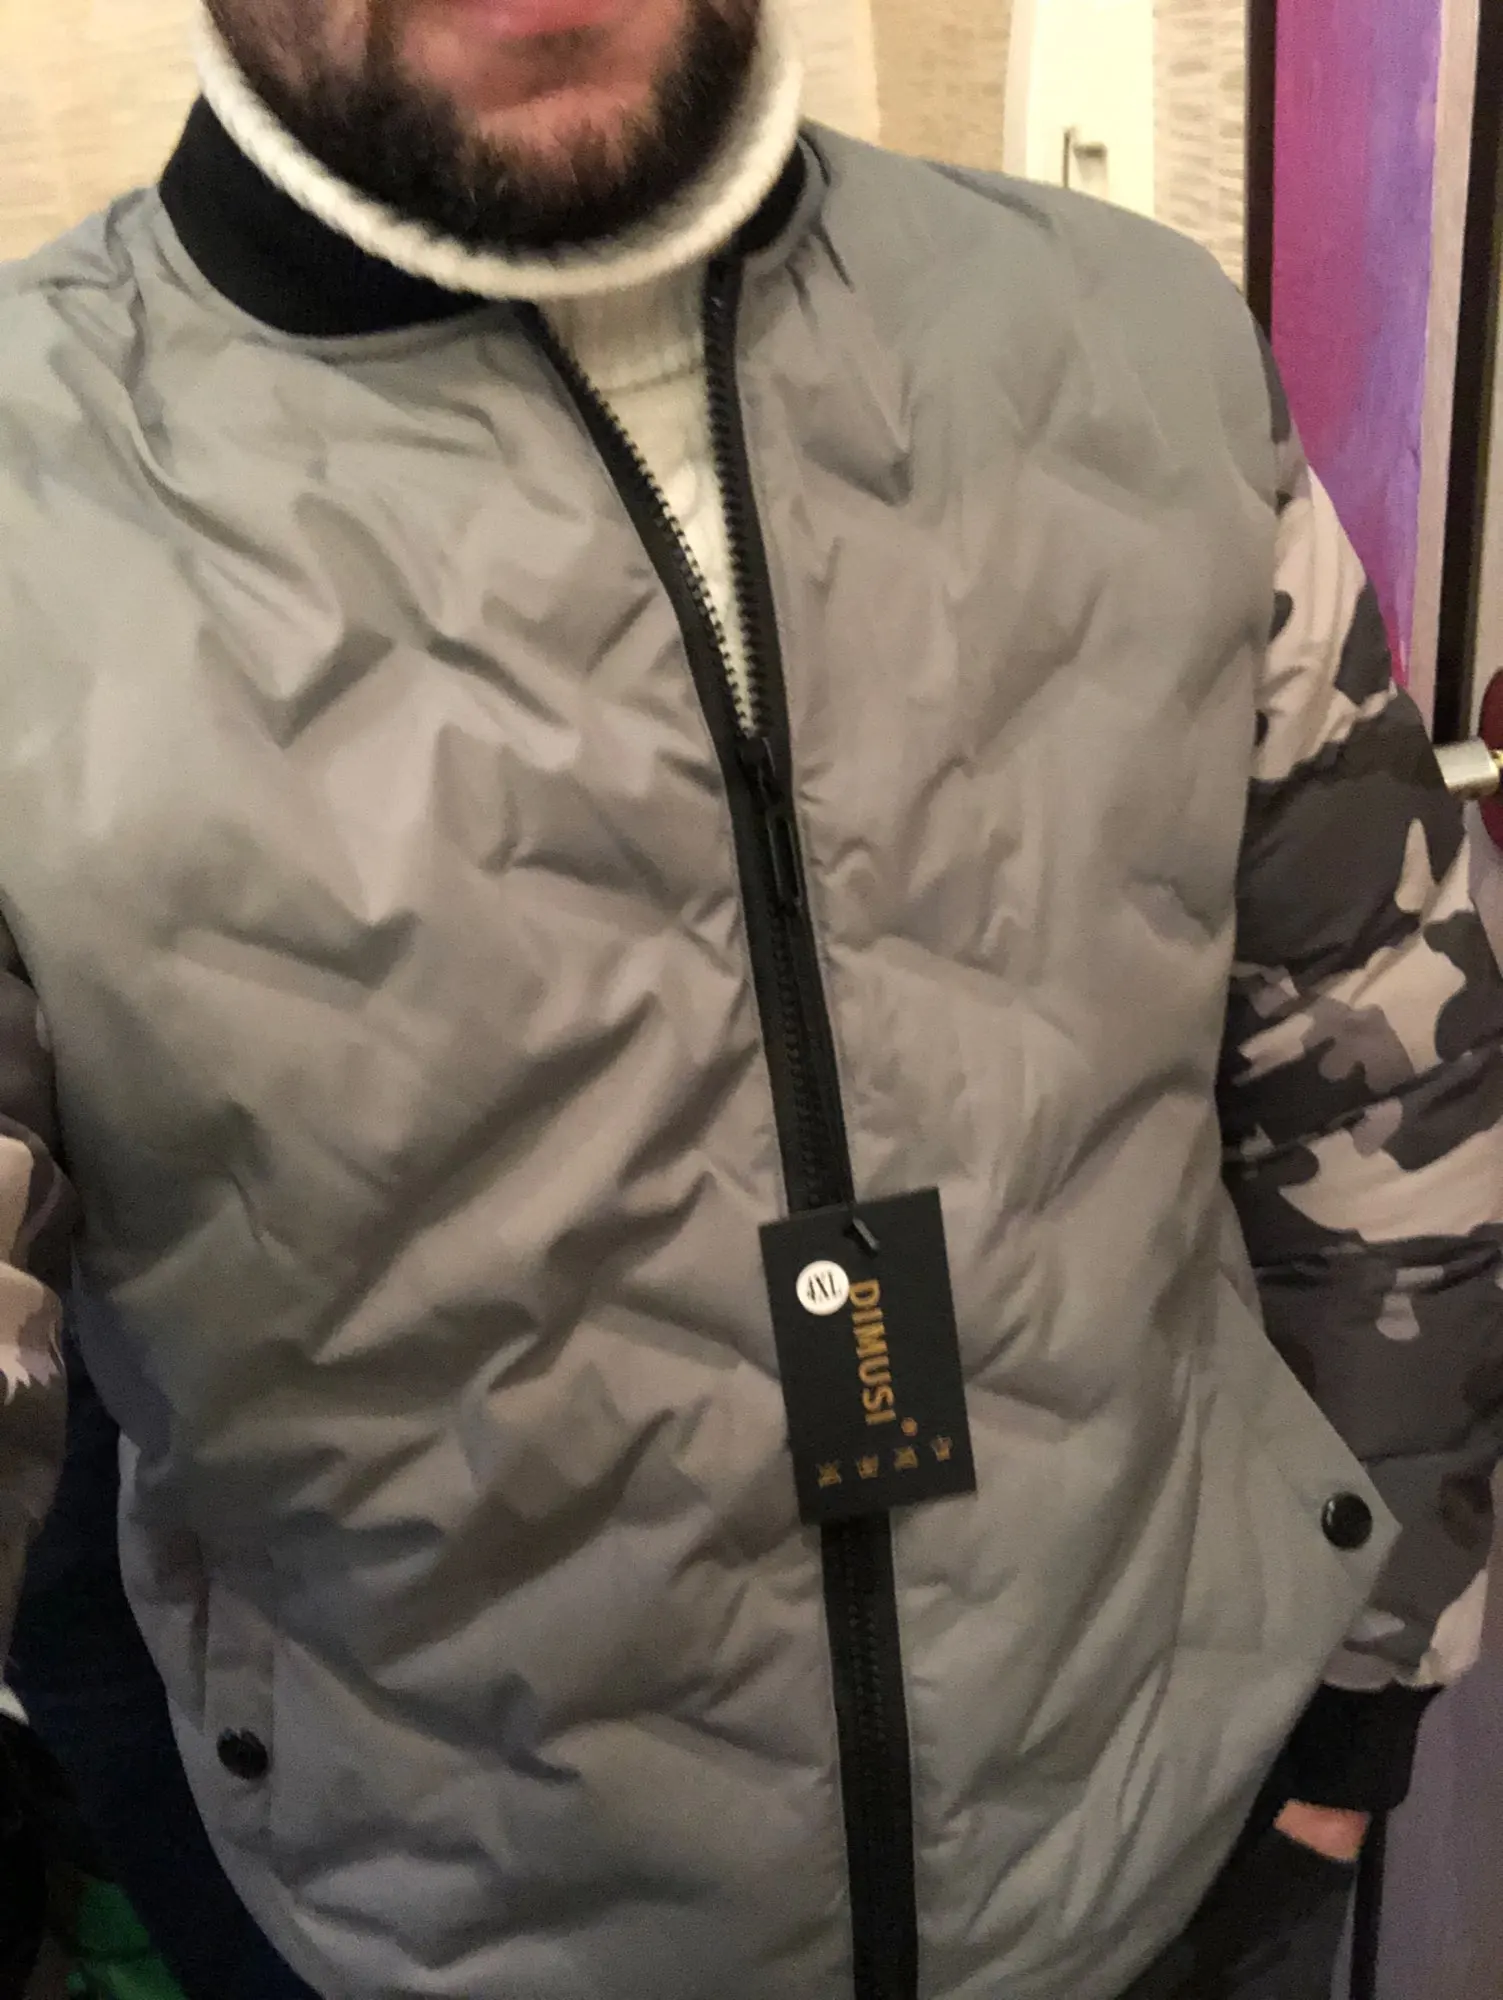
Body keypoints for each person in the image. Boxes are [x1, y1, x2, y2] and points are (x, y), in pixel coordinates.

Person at [0, 1, 1499, 1995]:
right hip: (420, 1935)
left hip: (1174, 1864)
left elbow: (1385, 1051)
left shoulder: (1143, 346)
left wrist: (1365, 1679)